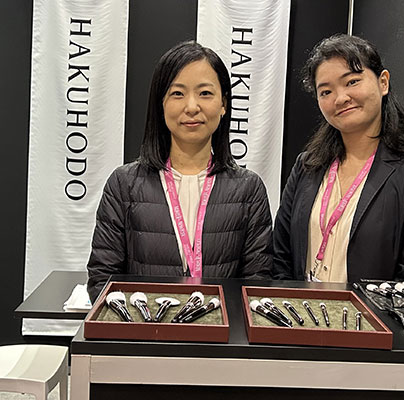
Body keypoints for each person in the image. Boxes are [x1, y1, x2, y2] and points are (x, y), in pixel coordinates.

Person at [87, 41, 273, 302]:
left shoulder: (248, 189)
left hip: (221, 327)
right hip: (146, 326)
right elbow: (102, 280)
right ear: (161, 104)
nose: (192, 106)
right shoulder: (124, 184)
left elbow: (257, 285)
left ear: (223, 104)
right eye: (177, 93)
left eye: (205, 93)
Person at [273, 34, 404, 283]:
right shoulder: (306, 166)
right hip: (300, 307)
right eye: (326, 91)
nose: (340, 98)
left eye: (352, 82)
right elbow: (280, 257)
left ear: (383, 82)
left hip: (373, 310)